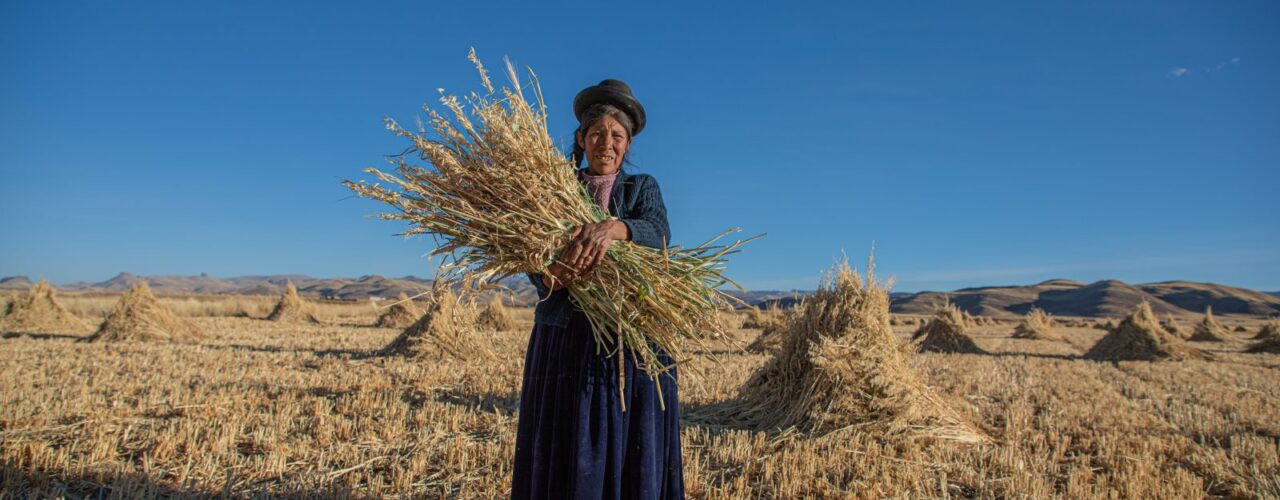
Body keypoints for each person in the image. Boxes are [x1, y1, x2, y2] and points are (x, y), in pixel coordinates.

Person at [511, 79, 684, 499]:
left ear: (627, 144)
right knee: (568, 439)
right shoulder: (553, 192)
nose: (606, 143)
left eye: (617, 136)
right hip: (566, 335)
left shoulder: (641, 188)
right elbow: (533, 256)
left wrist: (614, 228)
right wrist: (552, 275)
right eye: (597, 134)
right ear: (581, 139)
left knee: (631, 440)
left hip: (632, 335)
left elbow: (659, 233)